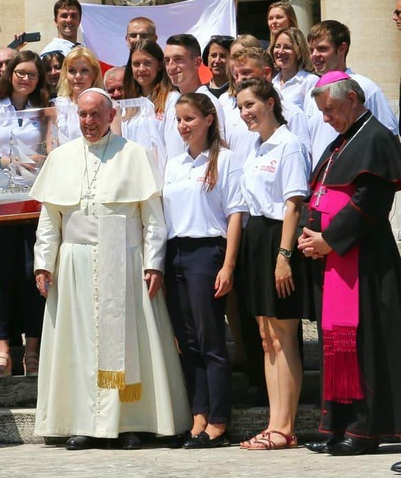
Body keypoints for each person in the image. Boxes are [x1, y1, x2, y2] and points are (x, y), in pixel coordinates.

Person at [31, 87, 191, 451]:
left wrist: (154, 263)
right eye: (83, 115)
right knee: (81, 344)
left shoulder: (135, 155)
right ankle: (83, 422)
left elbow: (152, 219)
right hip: (74, 261)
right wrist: (44, 262)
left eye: (95, 114)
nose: (89, 121)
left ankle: (129, 422)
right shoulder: (61, 157)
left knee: (125, 345)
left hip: (124, 256)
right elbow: (49, 219)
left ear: (110, 116)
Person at [297, 73, 401, 458]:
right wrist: (310, 234)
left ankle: (365, 429)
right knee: (338, 345)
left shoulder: (375, 138)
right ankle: (339, 425)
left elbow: (371, 198)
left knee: (364, 345)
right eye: (322, 111)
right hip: (336, 261)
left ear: (353, 98)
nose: (326, 118)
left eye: (330, 109)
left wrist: (330, 239)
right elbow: (320, 193)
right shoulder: (341, 142)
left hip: (366, 262)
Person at [163, 93, 246, 449]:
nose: (183, 126)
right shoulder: (174, 163)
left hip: (207, 252)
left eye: (190, 119)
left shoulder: (225, 161)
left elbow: (236, 214)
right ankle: (198, 415)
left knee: (211, 339)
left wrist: (228, 265)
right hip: (176, 252)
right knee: (188, 342)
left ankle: (218, 420)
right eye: (179, 120)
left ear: (208, 120)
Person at [235, 78, 310, 450]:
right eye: (240, 108)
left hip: (280, 239)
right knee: (266, 338)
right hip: (256, 237)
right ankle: (273, 422)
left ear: (269, 102)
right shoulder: (256, 146)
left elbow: (293, 203)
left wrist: (284, 257)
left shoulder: (289, 144)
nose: (245, 113)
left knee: (283, 337)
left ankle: (285, 426)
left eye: (250, 105)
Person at [0, 50, 48, 378]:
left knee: (33, 274)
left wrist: (36, 161)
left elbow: (51, 149)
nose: (25, 78)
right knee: (0, 277)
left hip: (35, 200)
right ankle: (3, 350)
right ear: (9, 74)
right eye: (20, 72)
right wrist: (9, 163)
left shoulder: (45, 110)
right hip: (1, 198)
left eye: (32, 74)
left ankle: (32, 352)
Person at [304, 20, 398, 165]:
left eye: (322, 49)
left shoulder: (366, 87)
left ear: (342, 49)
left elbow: (389, 137)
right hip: (321, 183)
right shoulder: (311, 93)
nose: (314, 55)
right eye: (311, 50)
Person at [222, 47, 311, 165]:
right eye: (236, 76)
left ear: (267, 73)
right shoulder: (232, 116)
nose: (240, 80)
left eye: (246, 73)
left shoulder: (292, 113)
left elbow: (301, 161)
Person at [162, 34, 226, 162]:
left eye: (178, 59)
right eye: (167, 60)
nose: (171, 67)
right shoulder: (172, 103)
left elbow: (218, 151)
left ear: (197, 63)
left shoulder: (210, 103)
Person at [121, 39, 178, 176]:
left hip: (161, 183)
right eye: (136, 64)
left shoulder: (172, 99)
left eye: (147, 63)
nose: (141, 69)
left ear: (159, 66)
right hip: (134, 183)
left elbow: (175, 149)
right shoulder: (128, 106)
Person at [51, 47, 103, 146]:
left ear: (94, 74)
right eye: (72, 71)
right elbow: (52, 145)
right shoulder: (56, 105)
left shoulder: (107, 104)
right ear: (65, 74)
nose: (78, 76)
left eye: (84, 70)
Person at [270, 28, 318, 111]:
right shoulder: (272, 83)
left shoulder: (310, 81)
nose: (280, 51)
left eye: (287, 47)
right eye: (277, 46)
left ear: (298, 51)